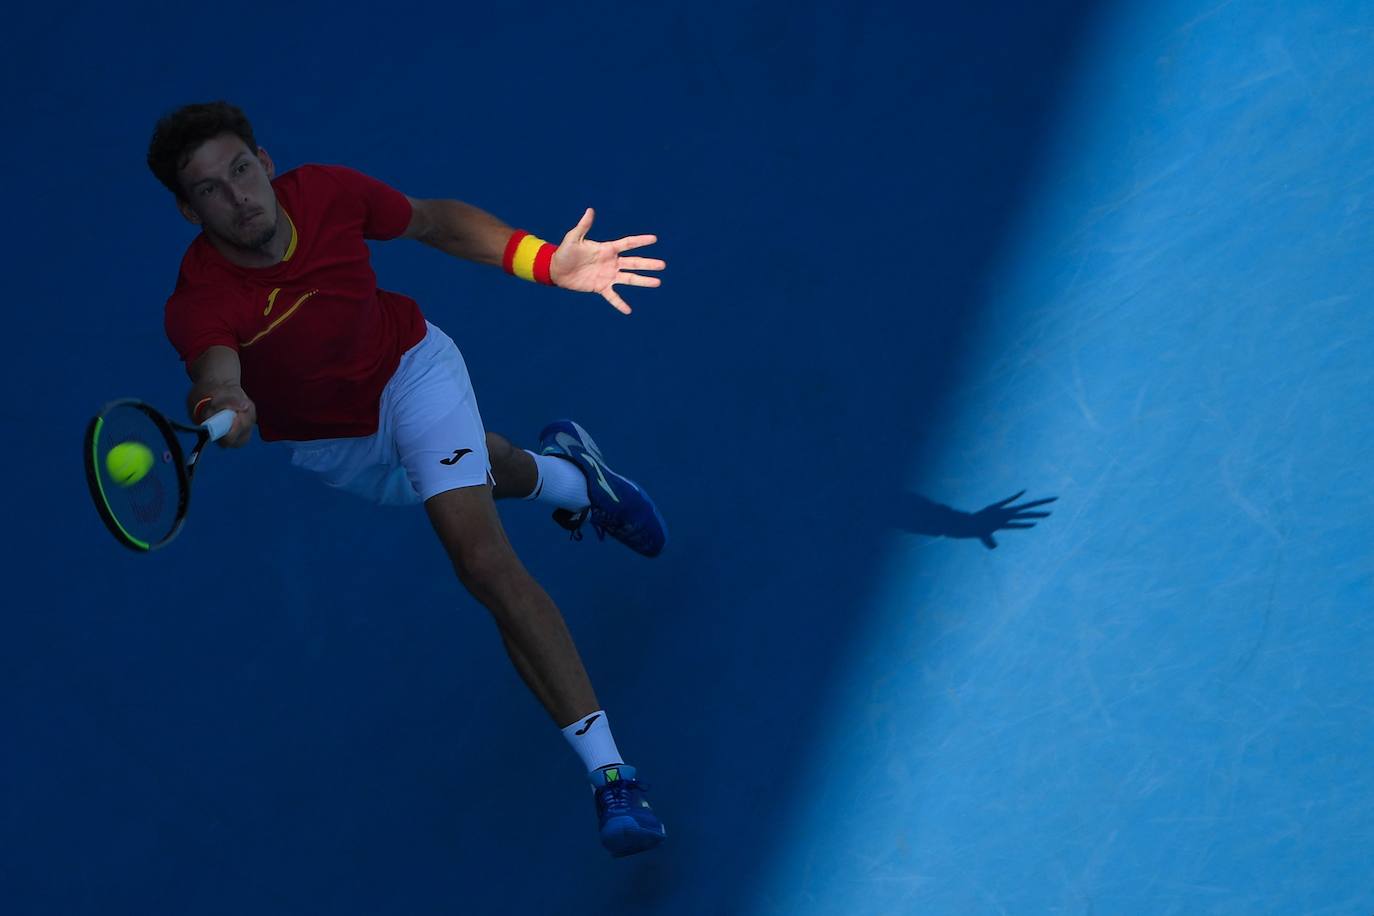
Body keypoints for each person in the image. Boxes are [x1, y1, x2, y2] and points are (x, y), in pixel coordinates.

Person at [146, 101, 667, 858]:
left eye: (242, 170)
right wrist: (222, 401)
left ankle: (612, 778)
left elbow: (433, 222)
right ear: (187, 210)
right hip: (338, 446)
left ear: (265, 158)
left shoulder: (325, 193)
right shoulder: (199, 304)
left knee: (480, 559)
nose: (239, 196)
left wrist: (547, 261)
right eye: (211, 190)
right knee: (486, 470)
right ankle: (577, 481)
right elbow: (213, 369)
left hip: (410, 371)